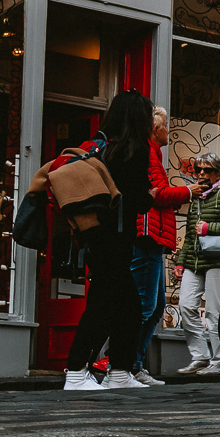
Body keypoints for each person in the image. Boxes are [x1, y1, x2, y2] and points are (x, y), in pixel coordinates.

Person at [56, 90, 157, 392]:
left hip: (98, 238)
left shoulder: (104, 148)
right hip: (116, 239)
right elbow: (137, 200)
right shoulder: (135, 149)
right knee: (103, 305)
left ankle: (120, 372)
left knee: (127, 307)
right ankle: (75, 371)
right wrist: (150, 196)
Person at [129, 106, 191, 386]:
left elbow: (160, 195)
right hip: (147, 237)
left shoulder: (153, 154)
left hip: (153, 237)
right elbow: (156, 195)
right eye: (166, 126)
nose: (169, 131)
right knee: (145, 305)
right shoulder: (149, 155)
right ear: (156, 130)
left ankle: (134, 364)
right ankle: (123, 364)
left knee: (154, 307)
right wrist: (190, 191)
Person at [174, 152, 220, 375]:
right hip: (195, 262)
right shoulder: (196, 197)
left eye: (208, 170)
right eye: (198, 170)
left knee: (215, 312)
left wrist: (209, 228)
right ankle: (200, 357)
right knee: (186, 306)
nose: (202, 174)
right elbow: (190, 235)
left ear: (218, 173)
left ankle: (219, 362)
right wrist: (181, 263)